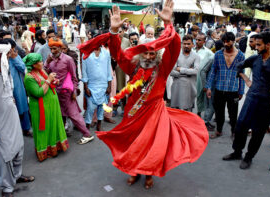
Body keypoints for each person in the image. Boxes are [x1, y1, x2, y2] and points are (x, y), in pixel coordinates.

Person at [77, 1, 208, 189]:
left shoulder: (163, 69)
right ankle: (134, 170)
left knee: (152, 147)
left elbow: (174, 46)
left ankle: (148, 173)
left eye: (152, 54)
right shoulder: (133, 67)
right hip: (133, 112)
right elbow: (118, 54)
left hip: (155, 113)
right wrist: (113, 32)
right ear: (139, 55)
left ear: (158, 56)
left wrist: (168, 23)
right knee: (133, 143)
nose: (148, 57)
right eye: (144, 54)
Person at [222, 32, 270, 170]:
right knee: (240, 126)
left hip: (265, 102)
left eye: (259, 45)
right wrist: (246, 79)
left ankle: (249, 157)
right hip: (251, 98)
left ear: (268, 45)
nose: (256, 47)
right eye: (255, 44)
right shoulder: (255, 58)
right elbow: (239, 66)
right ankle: (237, 152)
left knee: (258, 131)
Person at [0, 40, 34, 197]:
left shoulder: (6, 69)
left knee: (18, 147)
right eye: (7, 53)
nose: (10, 55)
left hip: (11, 115)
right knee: (5, 155)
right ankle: (7, 188)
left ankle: (17, 176)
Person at [44, 38, 94, 144]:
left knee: (73, 114)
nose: (52, 51)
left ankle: (87, 134)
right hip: (55, 92)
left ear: (61, 48)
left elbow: (74, 77)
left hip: (67, 93)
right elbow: (45, 73)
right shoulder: (50, 60)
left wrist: (74, 91)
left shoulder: (68, 59)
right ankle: (62, 135)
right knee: (60, 114)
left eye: (54, 49)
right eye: (51, 49)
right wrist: (47, 63)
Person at [23, 53, 69, 161]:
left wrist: (54, 81)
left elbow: (49, 84)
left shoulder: (41, 71)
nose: (41, 63)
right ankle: (44, 151)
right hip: (40, 108)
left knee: (53, 125)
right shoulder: (29, 78)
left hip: (51, 104)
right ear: (33, 65)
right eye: (39, 62)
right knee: (43, 129)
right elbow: (39, 93)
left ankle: (54, 147)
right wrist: (48, 80)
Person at [205, 32, 245, 139]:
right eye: (224, 41)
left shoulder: (241, 56)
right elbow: (213, 71)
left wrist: (241, 91)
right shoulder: (218, 54)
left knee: (233, 113)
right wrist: (208, 86)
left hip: (234, 90)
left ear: (234, 41)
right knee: (219, 112)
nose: (225, 43)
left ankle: (234, 131)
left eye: (228, 41)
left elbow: (242, 74)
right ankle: (219, 131)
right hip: (219, 89)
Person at [82, 43, 112, 131]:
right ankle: (87, 126)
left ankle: (99, 124)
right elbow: (84, 72)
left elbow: (108, 71)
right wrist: (86, 87)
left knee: (102, 106)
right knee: (90, 108)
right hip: (91, 85)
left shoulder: (106, 53)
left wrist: (109, 85)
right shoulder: (86, 54)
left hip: (103, 84)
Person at [5, 39, 31, 137]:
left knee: (23, 108)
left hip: (18, 88)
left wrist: (15, 58)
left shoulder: (16, 57)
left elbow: (24, 70)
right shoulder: (0, 59)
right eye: (11, 49)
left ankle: (26, 129)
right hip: (6, 90)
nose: (13, 51)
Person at [170, 35, 200, 111]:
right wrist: (188, 72)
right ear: (182, 44)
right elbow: (171, 72)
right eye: (184, 43)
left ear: (193, 45)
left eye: (188, 44)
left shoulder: (196, 56)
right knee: (176, 111)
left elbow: (195, 71)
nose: (186, 46)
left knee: (188, 112)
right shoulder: (176, 54)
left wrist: (180, 69)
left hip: (190, 88)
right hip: (177, 87)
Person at [193, 32, 215, 130]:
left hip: (201, 79)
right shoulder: (191, 50)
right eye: (196, 39)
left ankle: (201, 118)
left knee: (202, 99)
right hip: (190, 78)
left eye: (199, 40)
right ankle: (192, 118)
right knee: (192, 99)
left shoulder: (208, 52)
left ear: (204, 41)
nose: (197, 41)